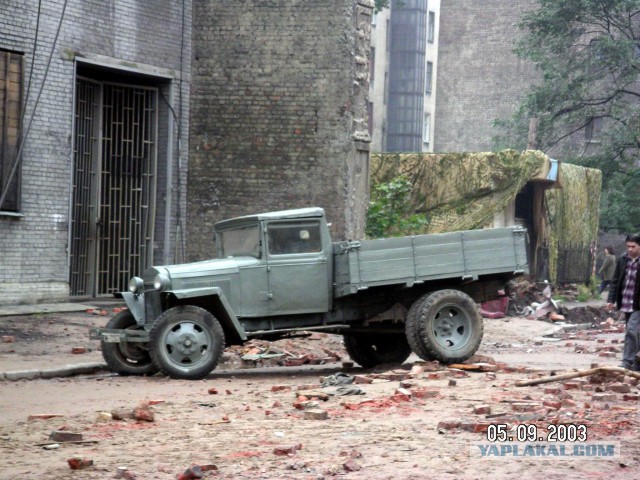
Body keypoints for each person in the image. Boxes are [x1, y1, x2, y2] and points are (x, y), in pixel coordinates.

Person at [606, 234, 640, 371]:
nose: (630, 249)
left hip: (638, 304)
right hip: (626, 302)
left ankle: (627, 361)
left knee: (631, 329)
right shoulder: (622, 260)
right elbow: (615, 281)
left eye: (633, 246)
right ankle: (637, 363)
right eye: (628, 246)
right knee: (634, 332)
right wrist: (611, 299)